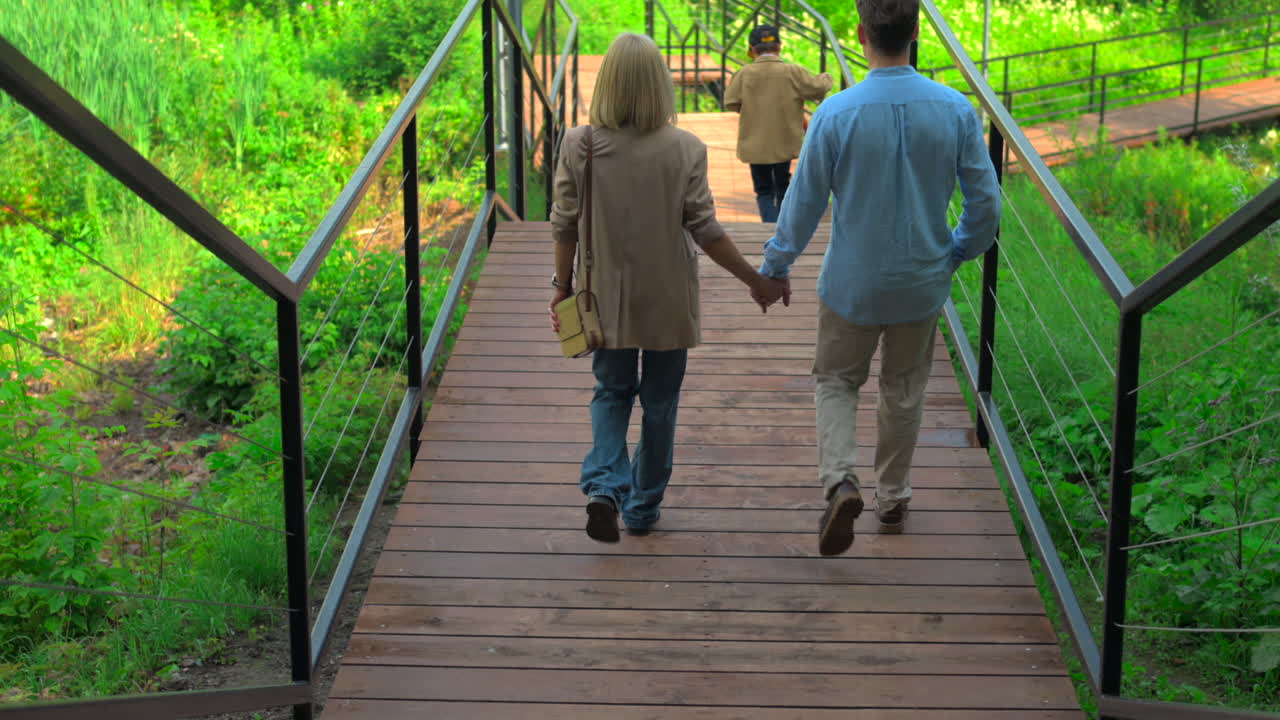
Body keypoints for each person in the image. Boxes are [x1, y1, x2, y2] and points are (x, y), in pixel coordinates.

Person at [753, 0, 1001, 555]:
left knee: (837, 381)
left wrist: (775, 267)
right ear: (915, 31)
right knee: (905, 389)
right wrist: (956, 251)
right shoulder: (956, 110)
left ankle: (841, 480)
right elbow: (986, 205)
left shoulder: (836, 113)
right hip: (921, 281)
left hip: (851, 284)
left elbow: (803, 202)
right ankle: (892, 498)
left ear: (861, 32)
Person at [549, 33, 789, 543]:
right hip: (668, 300)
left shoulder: (580, 144)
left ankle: (604, 487)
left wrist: (561, 286)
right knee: (659, 403)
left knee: (611, 392)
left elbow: (564, 223)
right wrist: (756, 281)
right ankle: (641, 508)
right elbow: (707, 231)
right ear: (661, 85)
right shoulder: (685, 149)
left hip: (601, 299)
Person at [723, 24, 833, 223]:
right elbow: (816, 89)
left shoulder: (744, 73)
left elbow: (731, 102)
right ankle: (783, 225)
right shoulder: (792, 71)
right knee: (783, 185)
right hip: (785, 141)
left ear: (752, 49)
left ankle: (769, 226)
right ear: (779, 46)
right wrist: (827, 78)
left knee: (763, 190)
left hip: (755, 144)